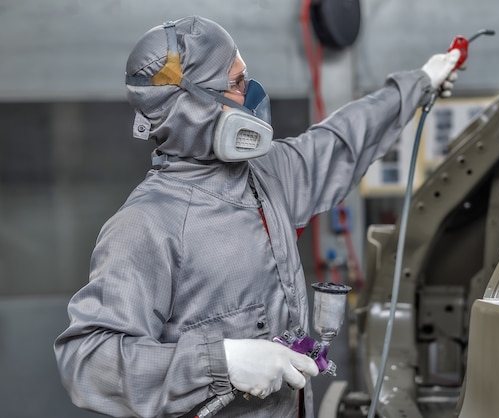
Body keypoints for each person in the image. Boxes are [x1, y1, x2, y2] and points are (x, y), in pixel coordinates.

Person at [54, 15, 461, 418]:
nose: (251, 94)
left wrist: (419, 83)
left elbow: (340, 140)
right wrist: (223, 362)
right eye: (235, 83)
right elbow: (88, 361)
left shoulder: (267, 174)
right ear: (193, 107)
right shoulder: (147, 225)